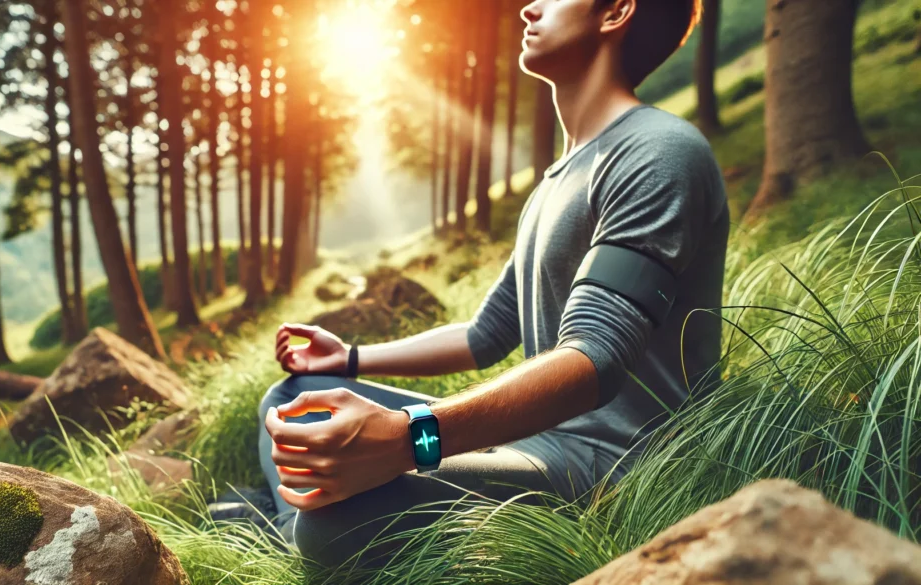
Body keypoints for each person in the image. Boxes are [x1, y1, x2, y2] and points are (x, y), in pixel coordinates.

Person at [255, 0, 729, 570]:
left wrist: (410, 439)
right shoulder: (557, 179)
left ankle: (285, 527)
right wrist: (350, 359)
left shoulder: (658, 151)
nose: (529, 7)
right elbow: (486, 334)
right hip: (529, 438)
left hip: (612, 467)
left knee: (335, 516)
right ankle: (297, 527)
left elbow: (596, 358)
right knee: (290, 402)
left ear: (615, 13)